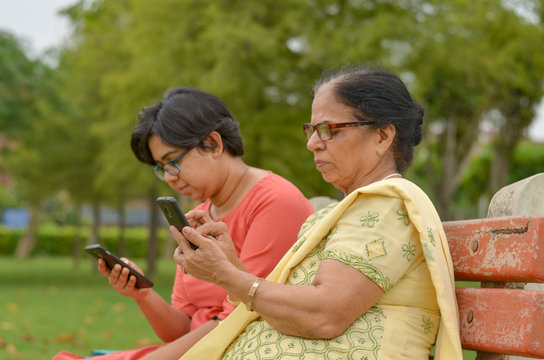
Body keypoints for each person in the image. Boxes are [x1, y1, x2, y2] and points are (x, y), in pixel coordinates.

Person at [170, 66, 463, 359]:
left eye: (328, 130)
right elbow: (291, 311)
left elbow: (325, 315)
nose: (312, 144)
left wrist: (224, 275)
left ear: (382, 137)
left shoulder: (388, 204)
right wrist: (230, 265)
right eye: (311, 130)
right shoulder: (347, 210)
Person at [52, 87, 314, 360]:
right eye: (160, 168)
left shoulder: (275, 202)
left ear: (213, 143)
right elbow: (182, 329)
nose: (169, 178)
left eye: (172, 162)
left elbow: (243, 319)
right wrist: (142, 294)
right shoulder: (198, 215)